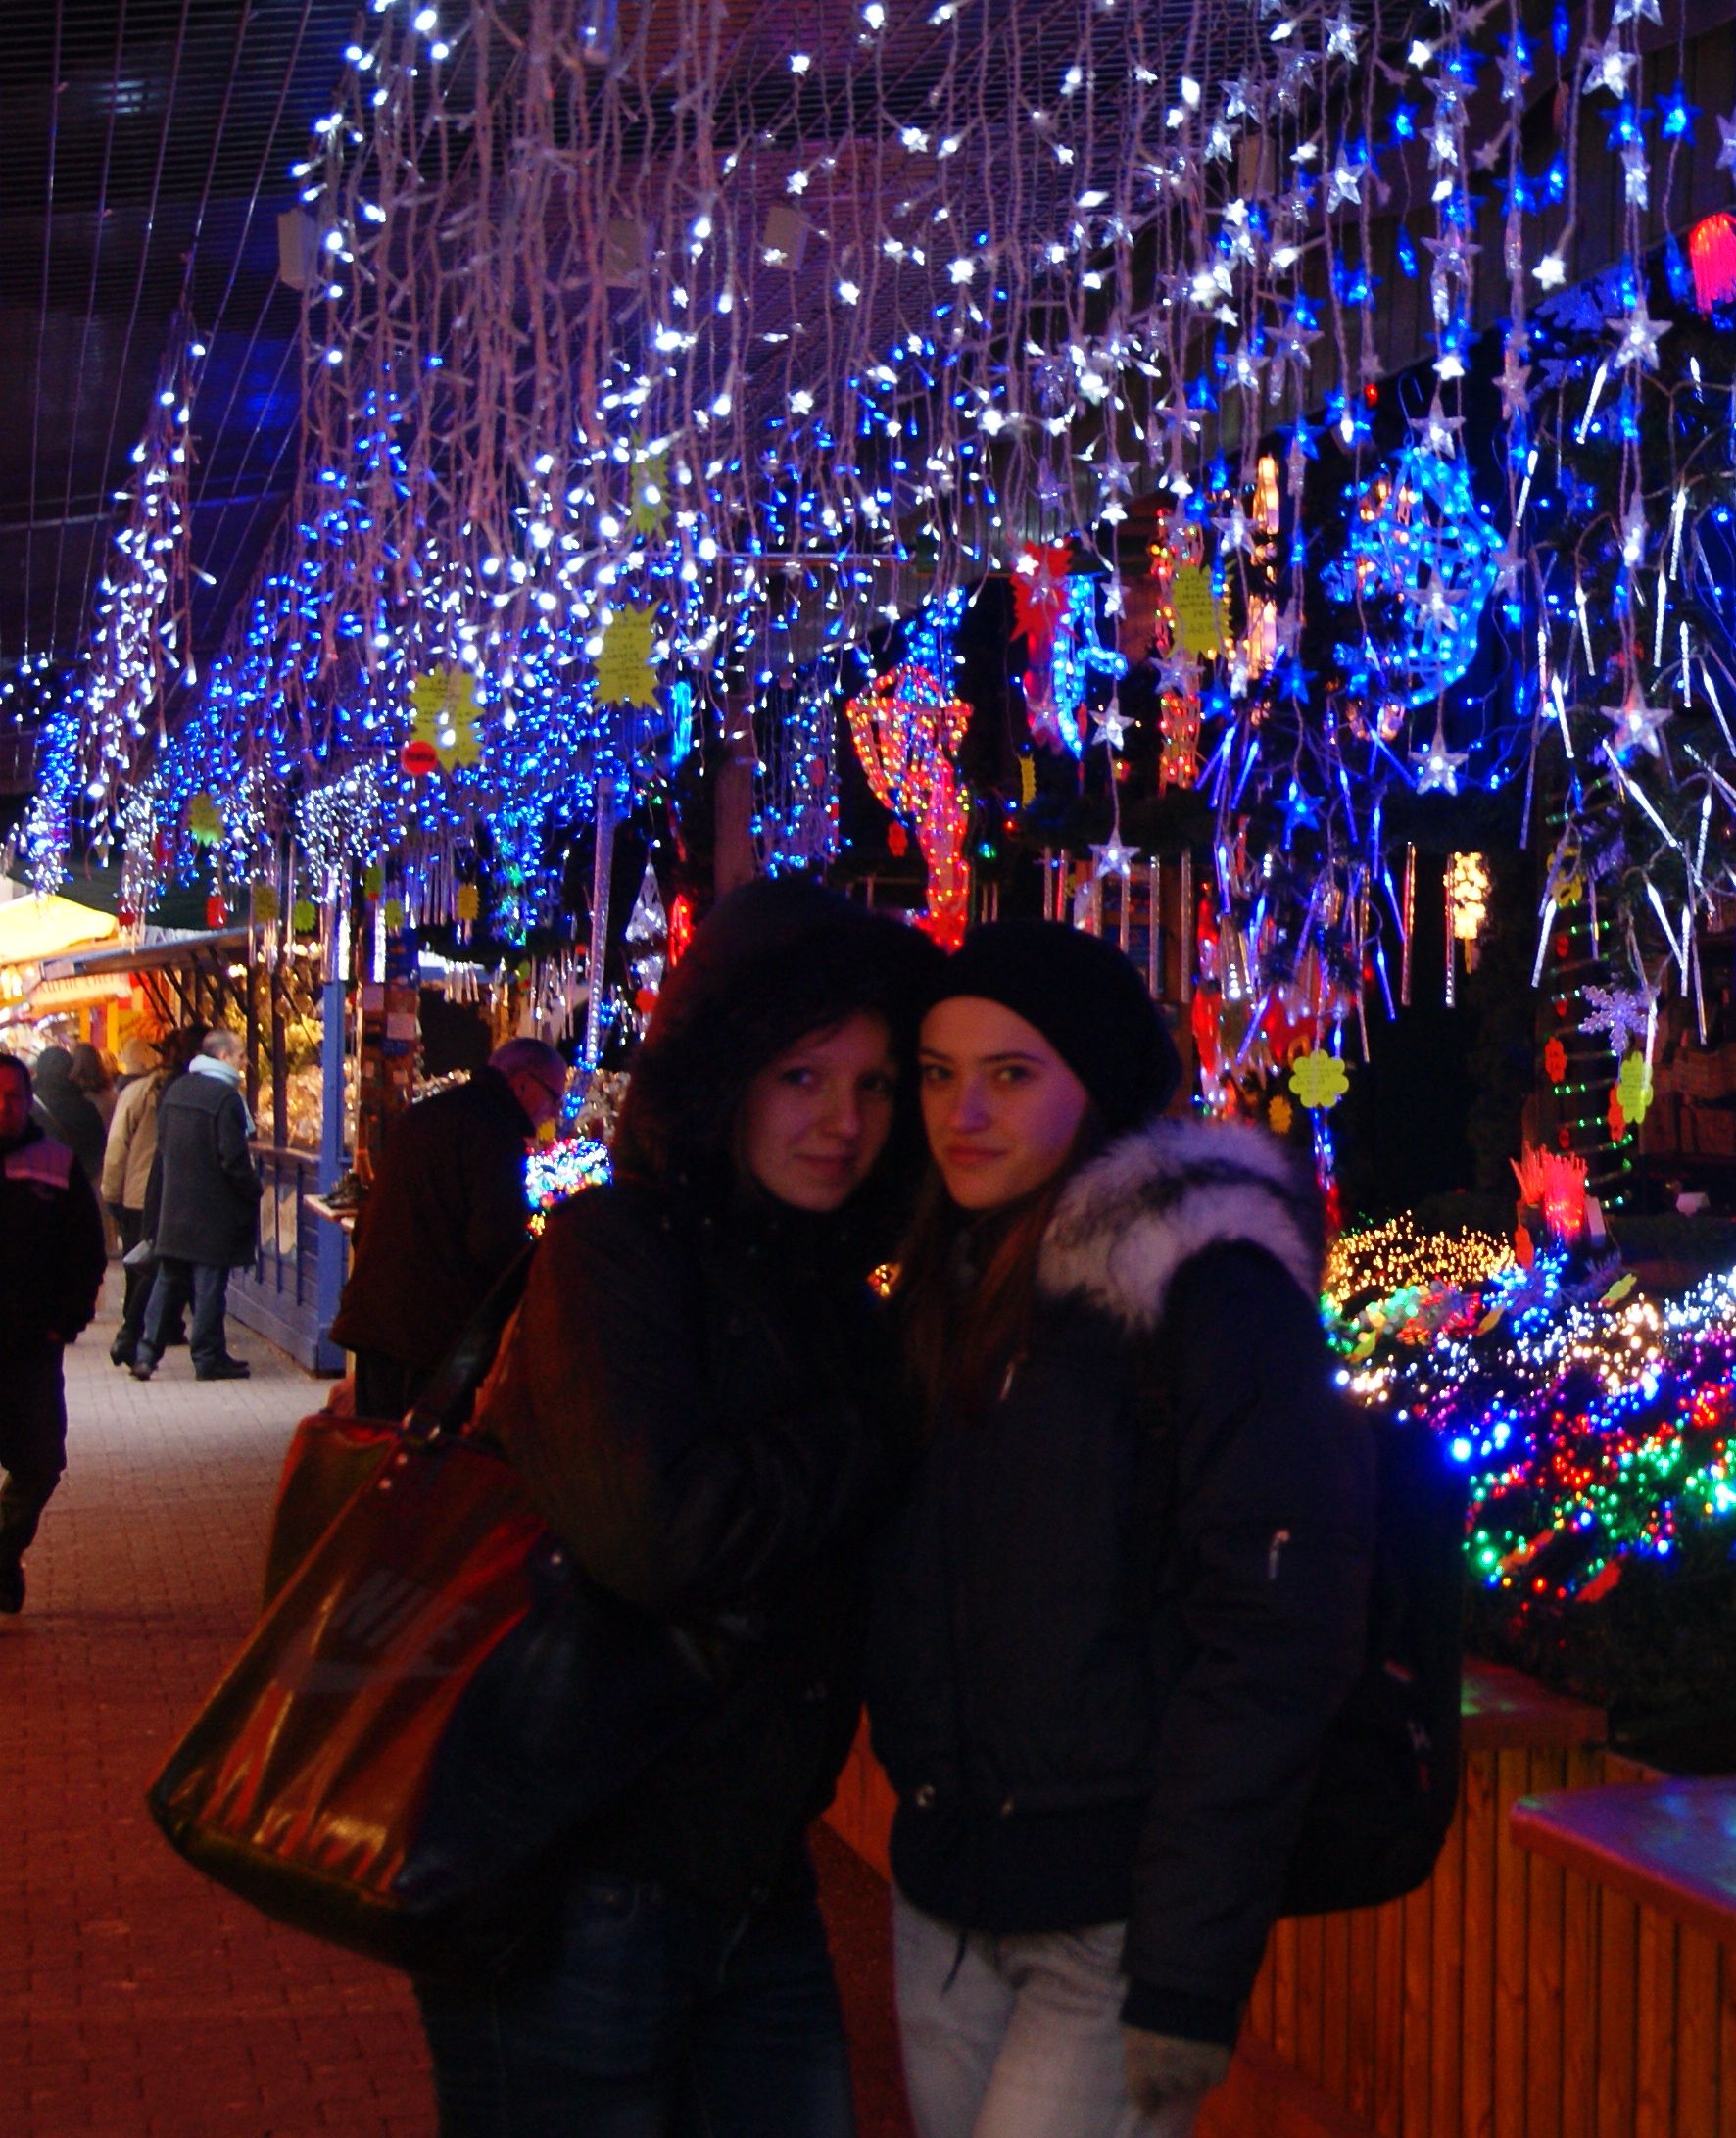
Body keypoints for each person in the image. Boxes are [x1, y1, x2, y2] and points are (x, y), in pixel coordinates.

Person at [425, 878, 937, 2136]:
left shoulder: (826, 1286)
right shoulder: (618, 1250)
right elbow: (660, 1531)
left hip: (753, 1876)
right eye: (803, 1077)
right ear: (723, 1077)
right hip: (579, 1879)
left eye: (875, 1086)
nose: (843, 1123)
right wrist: (874, 1424)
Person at [866, 920, 1372, 2138]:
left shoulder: (1206, 1294)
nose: (962, 1114)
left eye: (1010, 1074)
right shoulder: (948, 1281)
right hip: (943, 1895)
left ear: (1094, 1087)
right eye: (937, 1073)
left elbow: (1270, 1634)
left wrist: (1187, 1968)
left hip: (1109, 1921)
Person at [334, 1036, 569, 1423]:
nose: (554, 1111)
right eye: (554, 1097)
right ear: (522, 1083)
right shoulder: (495, 1133)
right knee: (424, 1448)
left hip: (377, 1315)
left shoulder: (426, 1115)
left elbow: (370, 1218)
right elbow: (493, 1242)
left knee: (378, 1440)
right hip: (429, 1333)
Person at [0, 1051, 110, 1616]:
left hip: (30, 1349)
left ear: (28, 1101)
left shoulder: (54, 1164)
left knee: (40, 1464)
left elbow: (86, 1252)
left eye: (12, 1098)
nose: (4, 1108)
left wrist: (64, 1322)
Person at [135, 1028, 263, 1382]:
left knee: (168, 1279)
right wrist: (253, 1189)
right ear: (222, 1057)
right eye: (240, 1056)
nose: (244, 1063)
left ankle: (146, 1354)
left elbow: (163, 1145)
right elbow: (233, 1158)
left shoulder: (177, 1090)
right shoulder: (225, 1098)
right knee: (208, 1286)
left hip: (175, 1206)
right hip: (213, 1211)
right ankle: (208, 1357)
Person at [99, 1030, 181, 1366]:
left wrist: (112, 1194)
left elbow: (117, 1146)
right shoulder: (180, 1090)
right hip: (174, 1192)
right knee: (164, 1266)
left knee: (142, 1267)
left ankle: (134, 1334)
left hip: (137, 1194)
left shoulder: (136, 1093)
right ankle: (144, 1333)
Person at [31, 1035, 104, 1177]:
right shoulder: (87, 1108)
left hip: (44, 1180)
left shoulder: (31, 1107)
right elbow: (98, 1150)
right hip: (79, 1182)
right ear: (70, 1071)